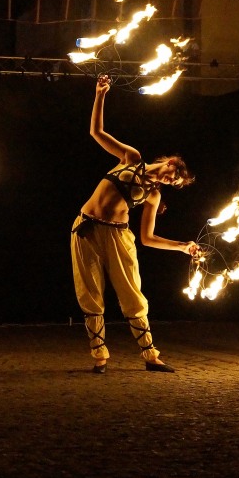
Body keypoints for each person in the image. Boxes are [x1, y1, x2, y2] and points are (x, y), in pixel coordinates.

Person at [71, 74, 198, 374]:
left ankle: (150, 355)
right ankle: (99, 355)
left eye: (174, 183)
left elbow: (148, 238)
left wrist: (181, 246)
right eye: (174, 176)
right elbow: (97, 132)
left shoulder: (153, 195)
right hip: (86, 227)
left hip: (118, 236)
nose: (170, 181)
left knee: (131, 293)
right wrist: (100, 94)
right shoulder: (131, 157)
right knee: (89, 291)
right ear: (170, 162)